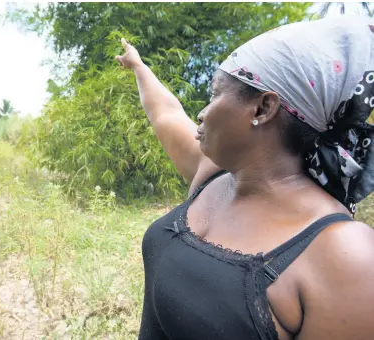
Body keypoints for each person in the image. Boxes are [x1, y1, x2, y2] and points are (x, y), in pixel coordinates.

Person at [115, 16, 374, 340]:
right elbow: (166, 113)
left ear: (263, 108)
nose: (202, 113)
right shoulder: (214, 175)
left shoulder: (346, 253)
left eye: (215, 94)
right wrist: (138, 66)